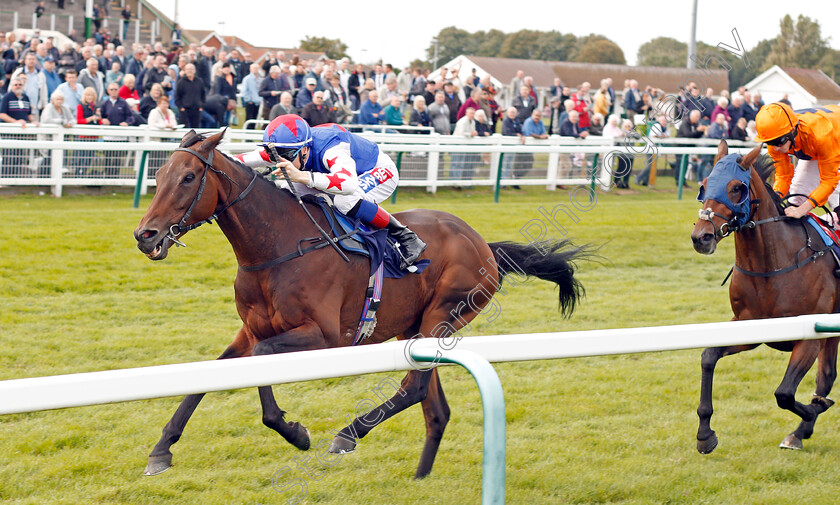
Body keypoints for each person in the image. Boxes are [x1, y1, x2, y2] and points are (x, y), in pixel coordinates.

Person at [234, 114, 427, 269]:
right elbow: (237, 160)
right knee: (287, 192)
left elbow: (348, 184)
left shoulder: (331, 150)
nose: (279, 161)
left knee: (345, 201)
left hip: (377, 170)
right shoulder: (289, 149)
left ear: (305, 150)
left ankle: (406, 236)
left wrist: (303, 177)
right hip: (335, 173)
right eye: (274, 155)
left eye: (284, 156)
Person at [754, 102, 840, 219]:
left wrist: (802, 210)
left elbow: (829, 181)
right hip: (818, 145)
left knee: (837, 204)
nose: (775, 148)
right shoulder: (775, 136)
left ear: (793, 131)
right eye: (770, 142)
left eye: (779, 142)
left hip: (831, 139)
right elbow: (783, 175)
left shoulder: (821, 137)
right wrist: (774, 198)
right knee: (795, 199)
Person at [174, 63, 204, 129]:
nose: (189, 71)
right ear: (185, 71)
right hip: (185, 110)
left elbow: (203, 95)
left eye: (191, 69)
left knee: (195, 131)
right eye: (187, 69)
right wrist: (181, 108)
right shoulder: (181, 82)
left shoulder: (199, 81)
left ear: (195, 71)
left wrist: (201, 106)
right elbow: (177, 96)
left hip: (196, 110)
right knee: (184, 131)